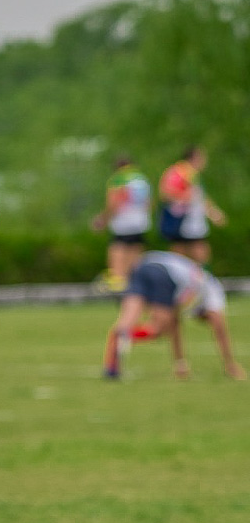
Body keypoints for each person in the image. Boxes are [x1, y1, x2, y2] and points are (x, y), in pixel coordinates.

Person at [103, 248, 246, 380]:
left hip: (142, 266)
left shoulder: (198, 285)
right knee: (158, 329)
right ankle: (126, 338)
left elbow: (175, 324)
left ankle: (113, 363)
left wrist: (180, 363)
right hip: (164, 274)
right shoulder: (213, 293)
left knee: (127, 321)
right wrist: (230, 364)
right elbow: (220, 329)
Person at [158, 146, 225, 266]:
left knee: (189, 246)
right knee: (187, 247)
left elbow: (200, 197)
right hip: (184, 218)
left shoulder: (190, 173)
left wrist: (213, 212)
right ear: (194, 158)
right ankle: (191, 275)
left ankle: (191, 275)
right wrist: (185, 197)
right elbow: (165, 193)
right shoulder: (181, 172)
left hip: (192, 218)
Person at [90, 155, 150, 289]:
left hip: (123, 222)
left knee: (118, 248)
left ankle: (117, 279)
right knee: (136, 249)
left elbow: (114, 203)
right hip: (140, 221)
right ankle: (134, 280)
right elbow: (148, 203)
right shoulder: (141, 179)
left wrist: (103, 219)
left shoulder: (118, 179)